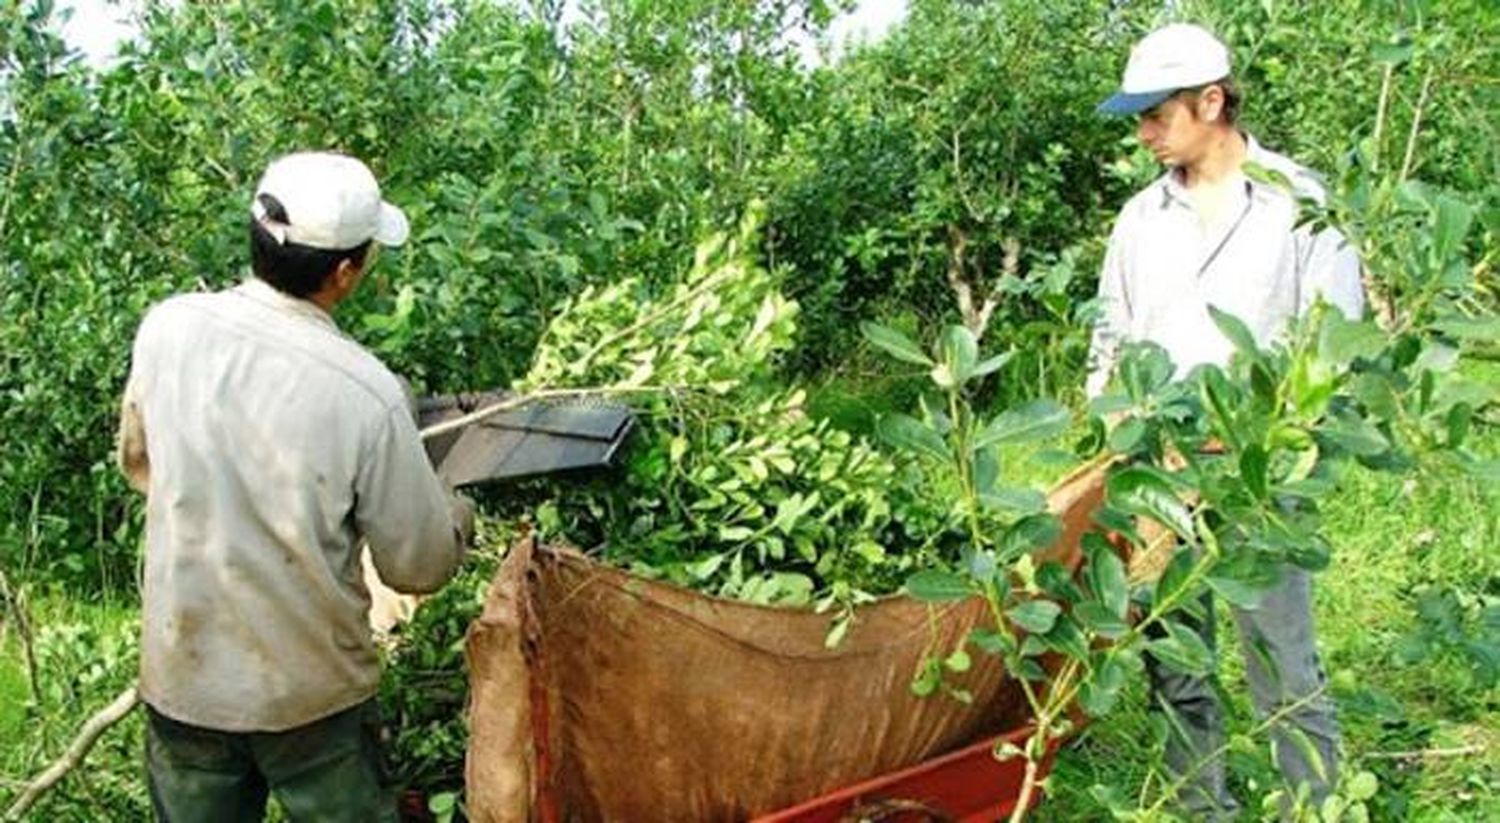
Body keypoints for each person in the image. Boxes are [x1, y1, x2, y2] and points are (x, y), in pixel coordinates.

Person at [117, 151, 473, 822]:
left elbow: (142, 464)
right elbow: (418, 565)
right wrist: (455, 513)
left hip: (185, 677)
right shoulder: (368, 392)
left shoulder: (168, 328)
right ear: (345, 271)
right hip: (312, 699)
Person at [1087, 24, 1365, 819]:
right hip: (1157, 475)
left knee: (1282, 657)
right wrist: (1120, 441)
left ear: (1212, 102)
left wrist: (1251, 435)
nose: (1143, 133)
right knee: (1176, 660)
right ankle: (1202, 809)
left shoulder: (1299, 203)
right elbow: (1110, 341)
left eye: (1156, 114)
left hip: (1260, 475)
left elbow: (1334, 346)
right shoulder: (1140, 219)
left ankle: (1312, 807)